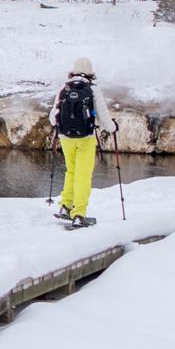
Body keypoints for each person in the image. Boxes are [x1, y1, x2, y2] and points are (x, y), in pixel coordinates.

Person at [51, 58, 114, 228]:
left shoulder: (64, 88)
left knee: (71, 171)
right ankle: (79, 214)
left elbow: (52, 118)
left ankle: (65, 206)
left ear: (73, 71)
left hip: (65, 138)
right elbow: (104, 117)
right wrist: (113, 127)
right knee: (83, 175)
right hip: (86, 138)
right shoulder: (93, 89)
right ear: (90, 72)